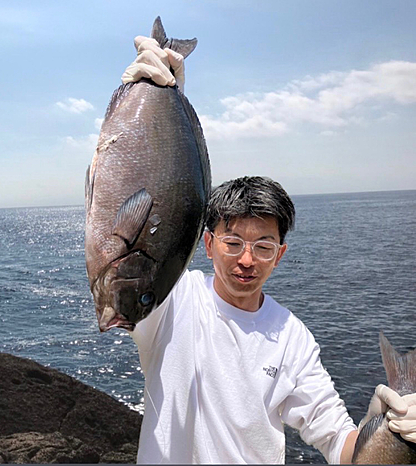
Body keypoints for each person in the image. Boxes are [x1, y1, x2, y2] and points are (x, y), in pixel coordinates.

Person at [120, 35, 416, 464]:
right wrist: (147, 100)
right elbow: (135, 207)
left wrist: (386, 424)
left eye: (263, 246)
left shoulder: (291, 337)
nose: (246, 259)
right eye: (234, 242)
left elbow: (341, 444)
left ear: (280, 255)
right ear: (207, 244)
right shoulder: (169, 299)